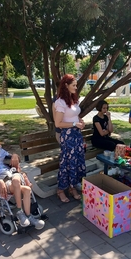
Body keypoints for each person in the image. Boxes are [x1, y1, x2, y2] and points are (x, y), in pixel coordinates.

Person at [54, 74, 86, 203]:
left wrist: (80, 121)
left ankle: (73, 188)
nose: (76, 87)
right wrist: (74, 124)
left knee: (77, 162)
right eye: (73, 85)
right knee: (67, 163)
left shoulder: (73, 99)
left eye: (76, 85)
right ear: (66, 86)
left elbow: (75, 116)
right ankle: (61, 190)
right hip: (68, 136)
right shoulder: (60, 102)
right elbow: (58, 123)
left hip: (77, 135)